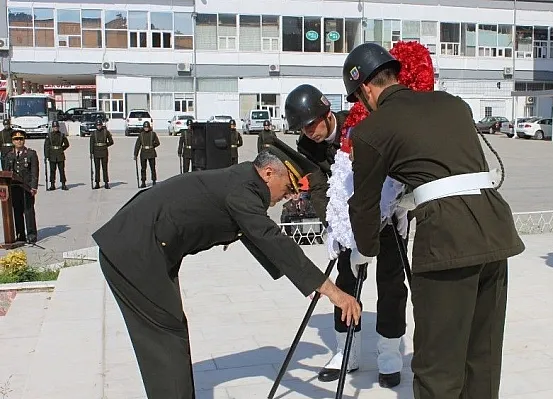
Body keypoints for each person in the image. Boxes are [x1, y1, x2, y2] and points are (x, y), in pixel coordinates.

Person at [92, 140, 362, 399]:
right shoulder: (242, 192)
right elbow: (275, 242)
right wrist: (333, 292)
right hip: (135, 250)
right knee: (165, 336)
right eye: (288, 186)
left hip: (145, 245)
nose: (288, 196)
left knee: (170, 331)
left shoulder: (243, 180)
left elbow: (247, 229)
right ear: (269, 173)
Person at [342, 42, 525, 399]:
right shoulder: (454, 105)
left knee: (438, 368)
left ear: (364, 88)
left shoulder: (370, 131)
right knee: (482, 358)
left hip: (447, 241)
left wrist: (363, 251)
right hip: (495, 232)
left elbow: (364, 205)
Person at [283, 83, 408, 388]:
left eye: (311, 124)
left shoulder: (359, 121)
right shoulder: (307, 146)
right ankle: (347, 351)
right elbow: (317, 185)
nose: (309, 132)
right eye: (302, 128)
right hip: (346, 218)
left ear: (326, 113)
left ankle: (389, 354)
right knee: (346, 281)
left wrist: (383, 208)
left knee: (391, 281)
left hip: (386, 209)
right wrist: (336, 222)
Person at [3, 131, 39, 244]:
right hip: (14, 188)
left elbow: (34, 171)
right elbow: (6, 172)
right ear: (13, 141)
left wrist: (34, 187)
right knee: (17, 212)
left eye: (21, 139)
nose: (19, 141)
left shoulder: (31, 154)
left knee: (28, 212)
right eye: (16, 139)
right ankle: (21, 235)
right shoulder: (9, 155)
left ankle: (31, 234)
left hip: (27, 188)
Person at [44, 120, 70, 191]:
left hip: (60, 155)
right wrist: (46, 156)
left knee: (61, 170)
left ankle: (63, 184)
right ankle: (52, 185)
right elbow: (46, 146)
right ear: (52, 127)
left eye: (57, 127)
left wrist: (61, 149)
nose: (56, 128)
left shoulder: (62, 135)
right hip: (52, 155)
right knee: (52, 171)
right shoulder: (49, 135)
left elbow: (67, 144)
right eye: (54, 127)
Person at [134, 121, 160, 187]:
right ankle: (143, 181)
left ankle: (154, 180)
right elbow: (137, 145)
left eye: (147, 127)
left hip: (151, 152)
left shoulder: (153, 134)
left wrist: (152, 146)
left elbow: (157, 142)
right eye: (145, 127)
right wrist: (135, 154)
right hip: (143, 152)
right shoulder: (141, 135)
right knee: (143, 168)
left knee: (153, 168)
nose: (146, 128)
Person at [90, 119, 114, 189]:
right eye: (97, 125)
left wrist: (106, 145)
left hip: (104, 151)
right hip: (96, 152)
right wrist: (91, 152)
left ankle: (106, 182)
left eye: (100, 125)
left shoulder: (106, 132)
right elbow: (91, 143)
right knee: (97, 168)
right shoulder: (93, 133)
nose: (99, 126)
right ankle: (97, 183)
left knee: (105, 168)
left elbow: (111, 141)